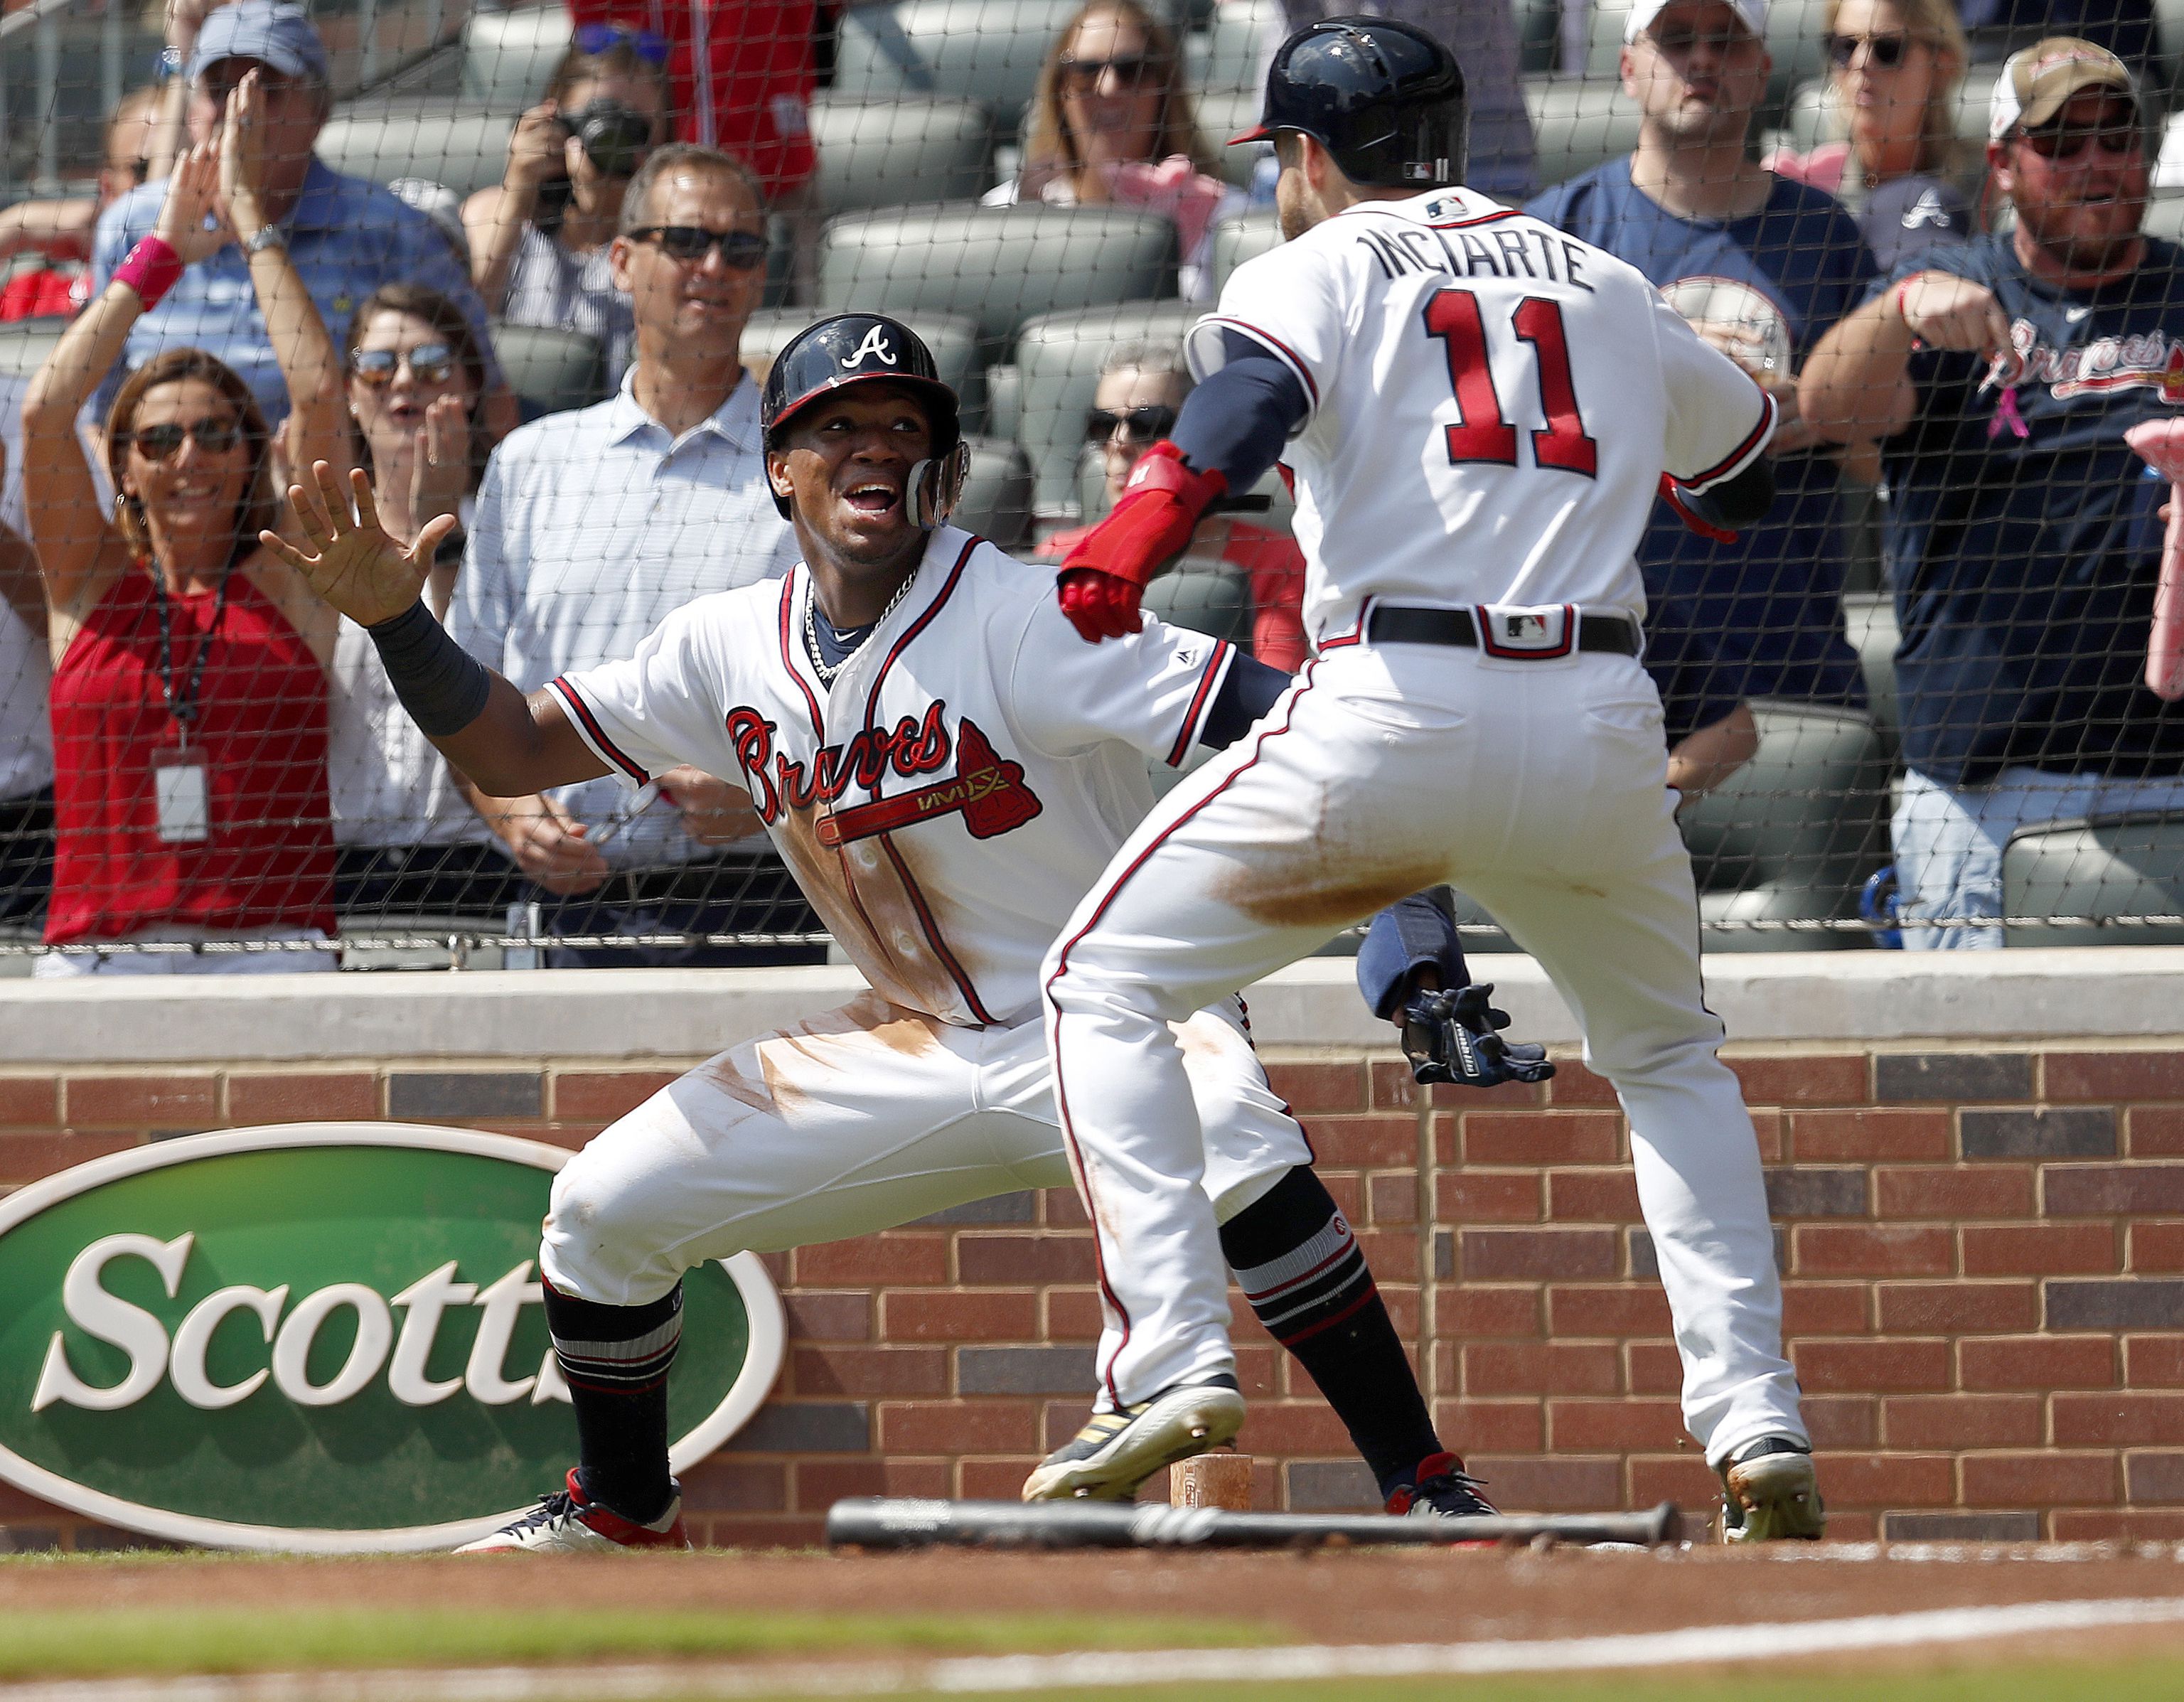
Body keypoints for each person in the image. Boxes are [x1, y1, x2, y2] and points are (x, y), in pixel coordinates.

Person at [259, 311, 1546, 1548]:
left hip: (1110, 1017)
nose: (875, 444)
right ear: (777, 467)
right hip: (916, 1043)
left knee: (1238, 1136)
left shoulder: (1033, 616)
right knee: (598, 1210)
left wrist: (1413, 941)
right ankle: (620, 1509)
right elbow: (511, 741)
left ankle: (1424, 1482)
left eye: (903, 422)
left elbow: (1315, 741)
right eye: (837, 424)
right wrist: (394, 618)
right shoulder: (723, 646)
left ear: (943, 465)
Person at [1037, 18, 1824, 1541]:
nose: (1280, 184)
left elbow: (1236, 415)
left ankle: (1170, 1362)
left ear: (1316, 157)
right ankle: (1758, 1426)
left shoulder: (1312, 267)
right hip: (1598, 716)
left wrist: (1131, 538)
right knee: (1669, 1063)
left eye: (1283, 159)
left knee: (1099, 986)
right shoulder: (1603, 276)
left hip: (1393, 702)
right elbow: (1743, 472)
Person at [1800, 39, 2184, 948]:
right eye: (2063, 143)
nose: (2095, 163)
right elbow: (1825, 409)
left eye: (2115, 138)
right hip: (1986, 793)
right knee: (1976, 1068)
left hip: (2172, 775)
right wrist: (1895, 316)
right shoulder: (1952, 287)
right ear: (2006, 165)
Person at [448, 143, 815, 968]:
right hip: (559, 909)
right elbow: (464, 690)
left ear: (761, 275)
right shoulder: (531, 463)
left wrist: (770, 797)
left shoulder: (812, 473)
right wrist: (511, 814)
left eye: (740, 248)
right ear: (622, 259)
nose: (712, 266)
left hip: (761, 903)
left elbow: (870, 690)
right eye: (684, 241)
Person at [20, 81, 345, 975]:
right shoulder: (87, 585)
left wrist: (250, 222)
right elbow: (46, 412)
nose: (189, 456)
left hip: (274, 948)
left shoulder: (289, 572)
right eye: (158, 438)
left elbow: (318, 393)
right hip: (100, 957)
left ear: (250, 455)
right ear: (124, 466)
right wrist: (158, 254)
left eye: (214, 432)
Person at [1526, 0, 1872, 803]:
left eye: (1728, 41)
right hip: (1604, 675)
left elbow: (1884, 456)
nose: (1702, 60)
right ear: (1628, 67)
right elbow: (1518, 452)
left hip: (1792, 673)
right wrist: (1660, 394)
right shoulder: (1560, 236)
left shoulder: (1826, 237)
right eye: (1675, 40)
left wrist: (1813, 410)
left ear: (1762, 68)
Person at [89, 0, 506, 437]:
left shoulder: (395, 231)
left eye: (265, 88)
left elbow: (488, 396)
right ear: (192, 111)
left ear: (319, 113)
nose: (240, 113)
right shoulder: (133, 226)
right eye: (218, 89)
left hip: (342, 491)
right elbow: (95, 419)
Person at [328, 285, 520, 919]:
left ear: (467, 389)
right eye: (378, 366)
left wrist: (442, 529)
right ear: (351, 395)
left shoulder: (515, 529)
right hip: (341, 874)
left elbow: (485, 677)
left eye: (432, 365)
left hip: (481, 867)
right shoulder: (319, 544)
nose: (403, 381)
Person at [1039, 341, 1307, 671]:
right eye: (1103, 426)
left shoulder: (1280, 561)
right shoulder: (1060, 555)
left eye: (1147, 424)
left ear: (1199, 432)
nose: (1119, 444)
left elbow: (1275, 679)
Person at [987, 0, 1243, 301]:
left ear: (1163, 88)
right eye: (1085, 71)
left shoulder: (1229, 219)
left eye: (1131, 70)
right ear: (1060, 93)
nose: (1108, 88)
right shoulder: (1004, 214)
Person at [464, 31, 675, 390]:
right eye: (599, 118)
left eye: (633, 126)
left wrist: (624, 222)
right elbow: (461, 334)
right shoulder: (491, 213)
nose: (613, 138)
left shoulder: (675, 234)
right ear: (555, 119)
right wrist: (518, 198)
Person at [1765, 0, 1975, 273]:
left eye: (1887, 49)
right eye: (1845, 47)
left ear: (1941, 66)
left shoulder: (1995, 180)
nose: (1861, 63)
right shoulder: (1797, 185)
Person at [0, 88, 166, 324]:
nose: (168, 184)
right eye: (144, 170)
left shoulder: (233, 288)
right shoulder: (42, 294)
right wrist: (17, 225)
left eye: (187, 161)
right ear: (108, 188)